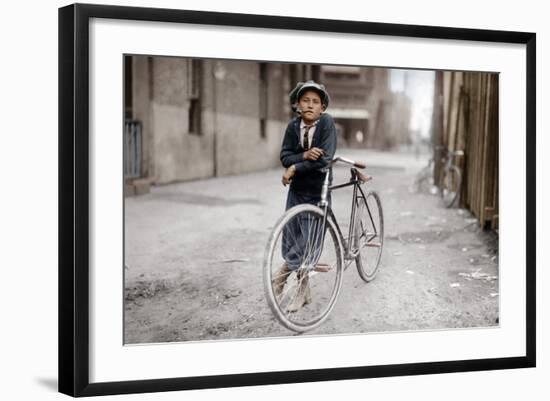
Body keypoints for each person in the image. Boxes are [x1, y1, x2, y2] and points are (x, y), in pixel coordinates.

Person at [273, 80, 337, 312]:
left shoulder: (327, 124)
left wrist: (295, 167)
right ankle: (304, 290)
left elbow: (324, 159)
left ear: (322, 107)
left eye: (315, 102)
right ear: (298, 104)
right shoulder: (293, 127)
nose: (310, 105)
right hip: (297, 190)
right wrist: (304, 156)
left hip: (317, 190)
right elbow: (284, 156)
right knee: (292, 235)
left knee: (308, 241)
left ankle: (283, 277)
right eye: (305, 100)